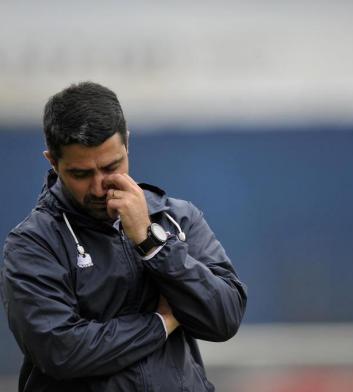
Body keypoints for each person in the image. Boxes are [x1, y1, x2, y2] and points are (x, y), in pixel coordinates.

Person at [0, 82, 247, 392]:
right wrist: (160, 324)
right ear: (53, 161)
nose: (99, 186)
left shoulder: (176, 217)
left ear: (127, 143)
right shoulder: (33, 244)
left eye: (111, 166)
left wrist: (152, 243)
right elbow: (61, 352)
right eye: (81, 173)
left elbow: (224, 318)